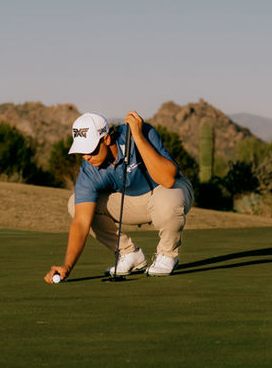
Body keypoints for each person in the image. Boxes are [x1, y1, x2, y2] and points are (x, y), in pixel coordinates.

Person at [45, 111, 194, 283]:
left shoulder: (141, 131)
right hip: (134, 202)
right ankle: (129, 254)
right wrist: (67, 266)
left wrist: (138, 138)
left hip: (172, 190)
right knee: (75, 204)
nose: (86, 157)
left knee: (166, 200)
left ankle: (168, 255)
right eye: (82, 152)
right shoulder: (89, 171)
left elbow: (168, 179)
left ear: (106, 139)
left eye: (90, 150)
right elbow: (80, 222)